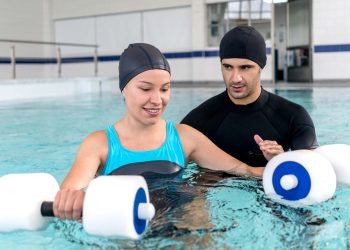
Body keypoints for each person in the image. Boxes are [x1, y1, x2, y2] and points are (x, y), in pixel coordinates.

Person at [53, 43, 264, 221]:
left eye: (164, 89)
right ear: (123, 88)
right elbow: (69, 193)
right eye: (145, 89)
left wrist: (281, 167)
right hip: (126, 228)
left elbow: (243, 170)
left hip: (184, 224)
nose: (157, 100)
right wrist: (72, 200)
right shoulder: (100, 144)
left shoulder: (185, 137)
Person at [181, 26, 318, 167]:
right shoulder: (199, 120)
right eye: (228, 67)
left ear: (261, 66)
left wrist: (283, 161)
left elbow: (313, 172)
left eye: (245, 67)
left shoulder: (294, 117)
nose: (235, 78)